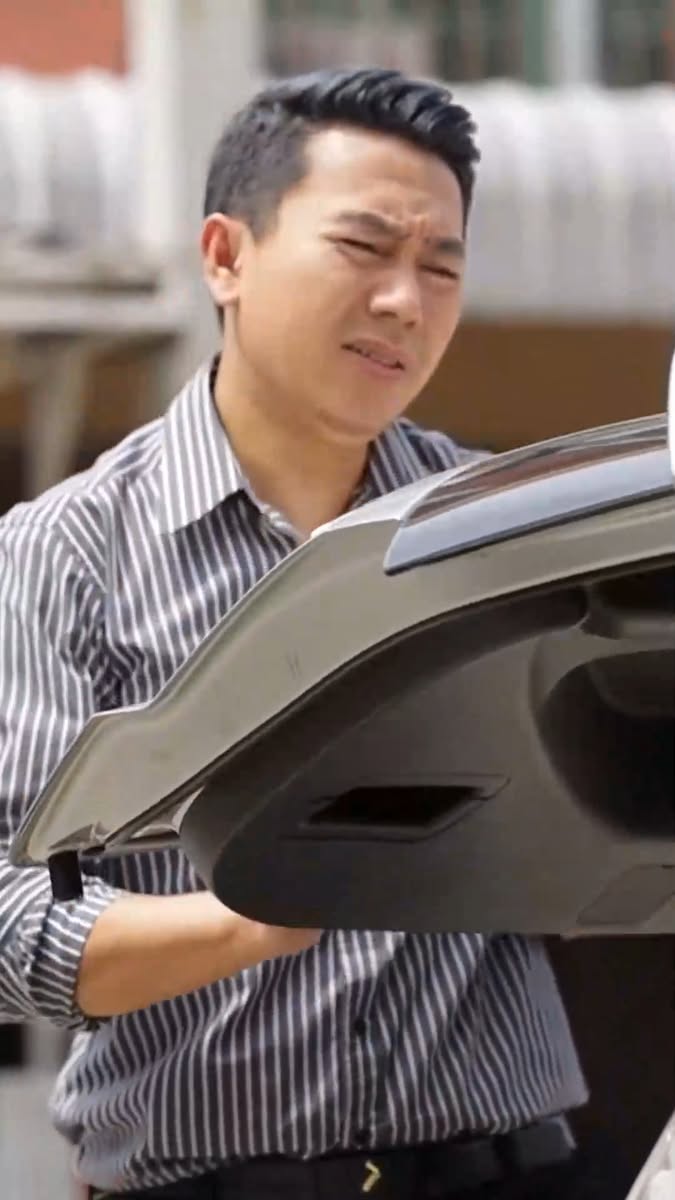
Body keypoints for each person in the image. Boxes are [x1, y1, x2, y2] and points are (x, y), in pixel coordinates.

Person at [0, 68, 632, 1200]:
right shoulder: (64, 553)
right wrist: (256, 916)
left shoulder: (509, 522)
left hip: (512, 1171)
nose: (405, 301)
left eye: (441, 267)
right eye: (363, 247)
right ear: (225, 256)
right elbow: (10, 928)